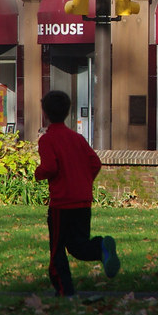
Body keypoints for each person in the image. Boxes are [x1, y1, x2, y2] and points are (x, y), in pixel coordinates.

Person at [34, 90, 120, 297]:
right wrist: (84, 181)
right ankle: (100, 247)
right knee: (78, 245)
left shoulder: (47, 140)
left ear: (44, 113)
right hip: (82, 201)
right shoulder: (77, 138)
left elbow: (50, 167)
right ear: (67, 111)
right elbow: (95, 162)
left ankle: (65, 291)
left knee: (57, 251)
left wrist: (38, 173)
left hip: (61, 204)